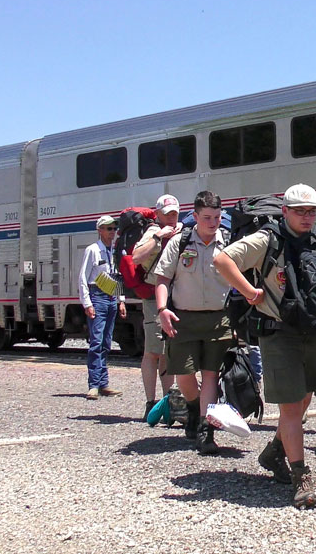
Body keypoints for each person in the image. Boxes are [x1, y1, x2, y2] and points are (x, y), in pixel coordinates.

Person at [215, 183, 316, 508]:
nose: (308, 217)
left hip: (311, 329)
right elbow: (223, 260)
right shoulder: (268, 239)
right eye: (301, 211)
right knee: (291, 407)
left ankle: (275, 452)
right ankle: (301, 476)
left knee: (305, 396)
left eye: (312, 211)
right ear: (286, 211)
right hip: (278, 333)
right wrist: (250, 292)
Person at [153, 191, 233, 455]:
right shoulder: (179, 242)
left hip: (218, 319)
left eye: (217, 217)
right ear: (196, 216)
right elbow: (163, 279)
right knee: (185, 374)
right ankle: (192, 406)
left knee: (211, 374)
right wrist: (163, 309)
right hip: (182, 319)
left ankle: (205, 429)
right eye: (207, 217)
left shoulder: (229, 244)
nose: (213, 223)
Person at [131, 194, 181, 419]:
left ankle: (167, 403)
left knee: (168, 353)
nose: (172, 217)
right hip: (154, 299)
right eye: (168, 213)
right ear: (158, 214)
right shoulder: (153, 232)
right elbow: (136, 257)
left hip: (176, 297)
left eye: (175, 212)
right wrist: (159, 237)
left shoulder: (182, 230)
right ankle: (151, 403)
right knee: (154, 352)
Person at [78, 215, 127, 400]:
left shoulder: (115, 251)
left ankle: (103, 383)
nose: (112, 232)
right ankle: (93, 385)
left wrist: (120, 300)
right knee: (96, 342)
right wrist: (87, 303)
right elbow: (83, 277)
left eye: (114, 228)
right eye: (108, 228)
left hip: (111, 297)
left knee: (106, 342)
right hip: (97, 296)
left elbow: (117, 276)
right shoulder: (93, 250)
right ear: (100, 230)